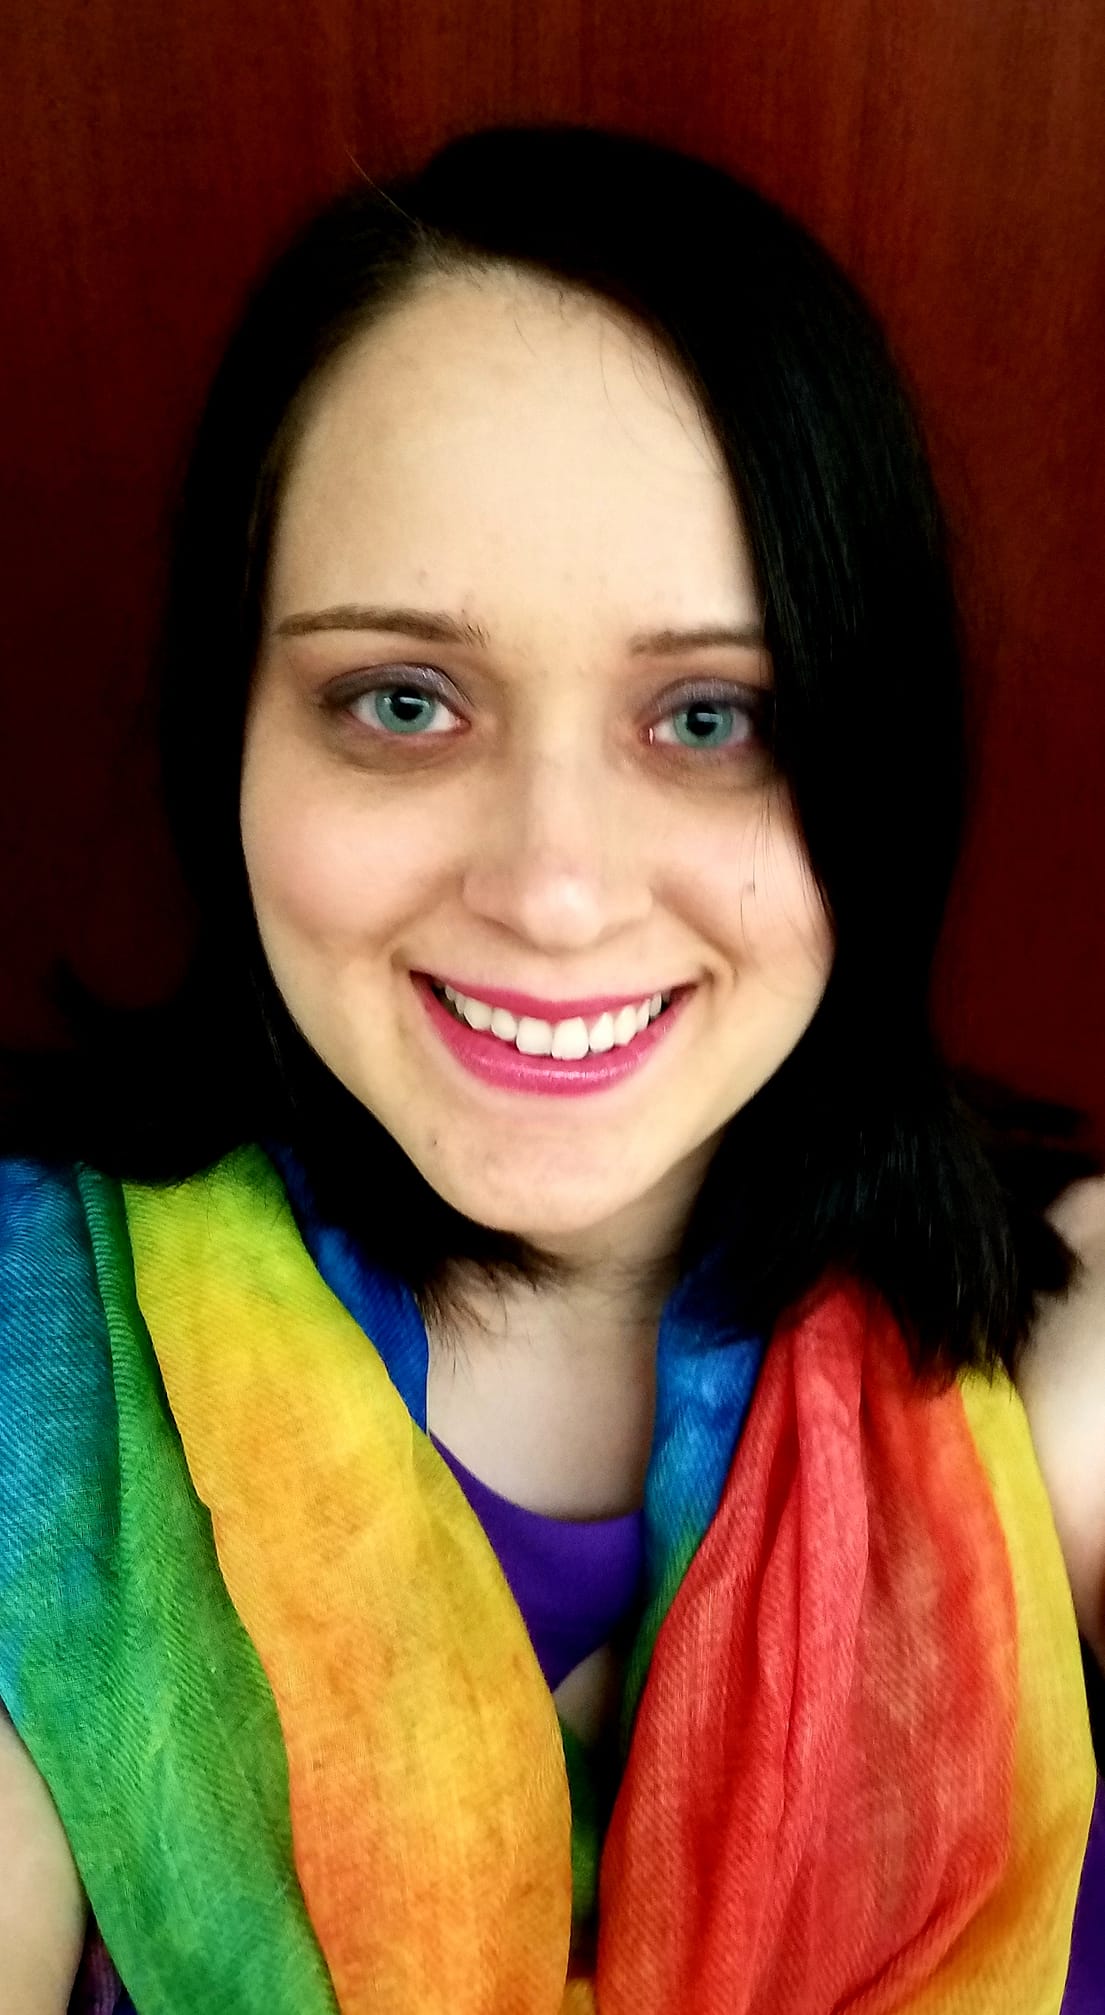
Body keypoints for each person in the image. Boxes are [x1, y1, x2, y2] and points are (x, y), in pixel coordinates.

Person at [0, 122, 1100, 2013]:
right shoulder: (37, 1407)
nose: (557, 890)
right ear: (233, 740)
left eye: (710, 716)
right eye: (404, 701)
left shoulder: (1068, 1372)